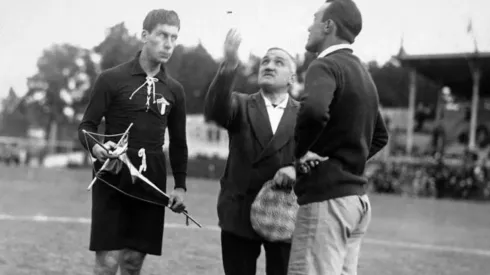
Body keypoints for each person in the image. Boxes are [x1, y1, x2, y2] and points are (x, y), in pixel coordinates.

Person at [78, 9, 188, 275]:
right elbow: (86, 127)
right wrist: (97, 148)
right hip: (113, 176)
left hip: (151, 179)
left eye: (174, 37)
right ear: (144, 35)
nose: (168, 43)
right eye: (162, 35)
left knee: (132, 263)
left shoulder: (174, 90)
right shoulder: (111, 79)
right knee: (107, 263)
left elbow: (179, 142)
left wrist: (180, 186)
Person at [287, 0, 389, 274]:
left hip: (327, 203)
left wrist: (299, 154)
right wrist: (344, 161)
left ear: (329, 26)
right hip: (356, 204)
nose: (310, 26)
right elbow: (380, 136)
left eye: (315, 19)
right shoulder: (363, 74)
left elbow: (314, 112)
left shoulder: (325, 66)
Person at [204, 29, 299, 275]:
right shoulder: (240, 104)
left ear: (292, 77)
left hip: (285, 215)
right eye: (265, 61)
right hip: (238, 214)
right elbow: (215, 109)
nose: (269, 65)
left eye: (279, 62)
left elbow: (321, 155)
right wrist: (230, 64)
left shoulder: (305, 114)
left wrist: (296, 169)